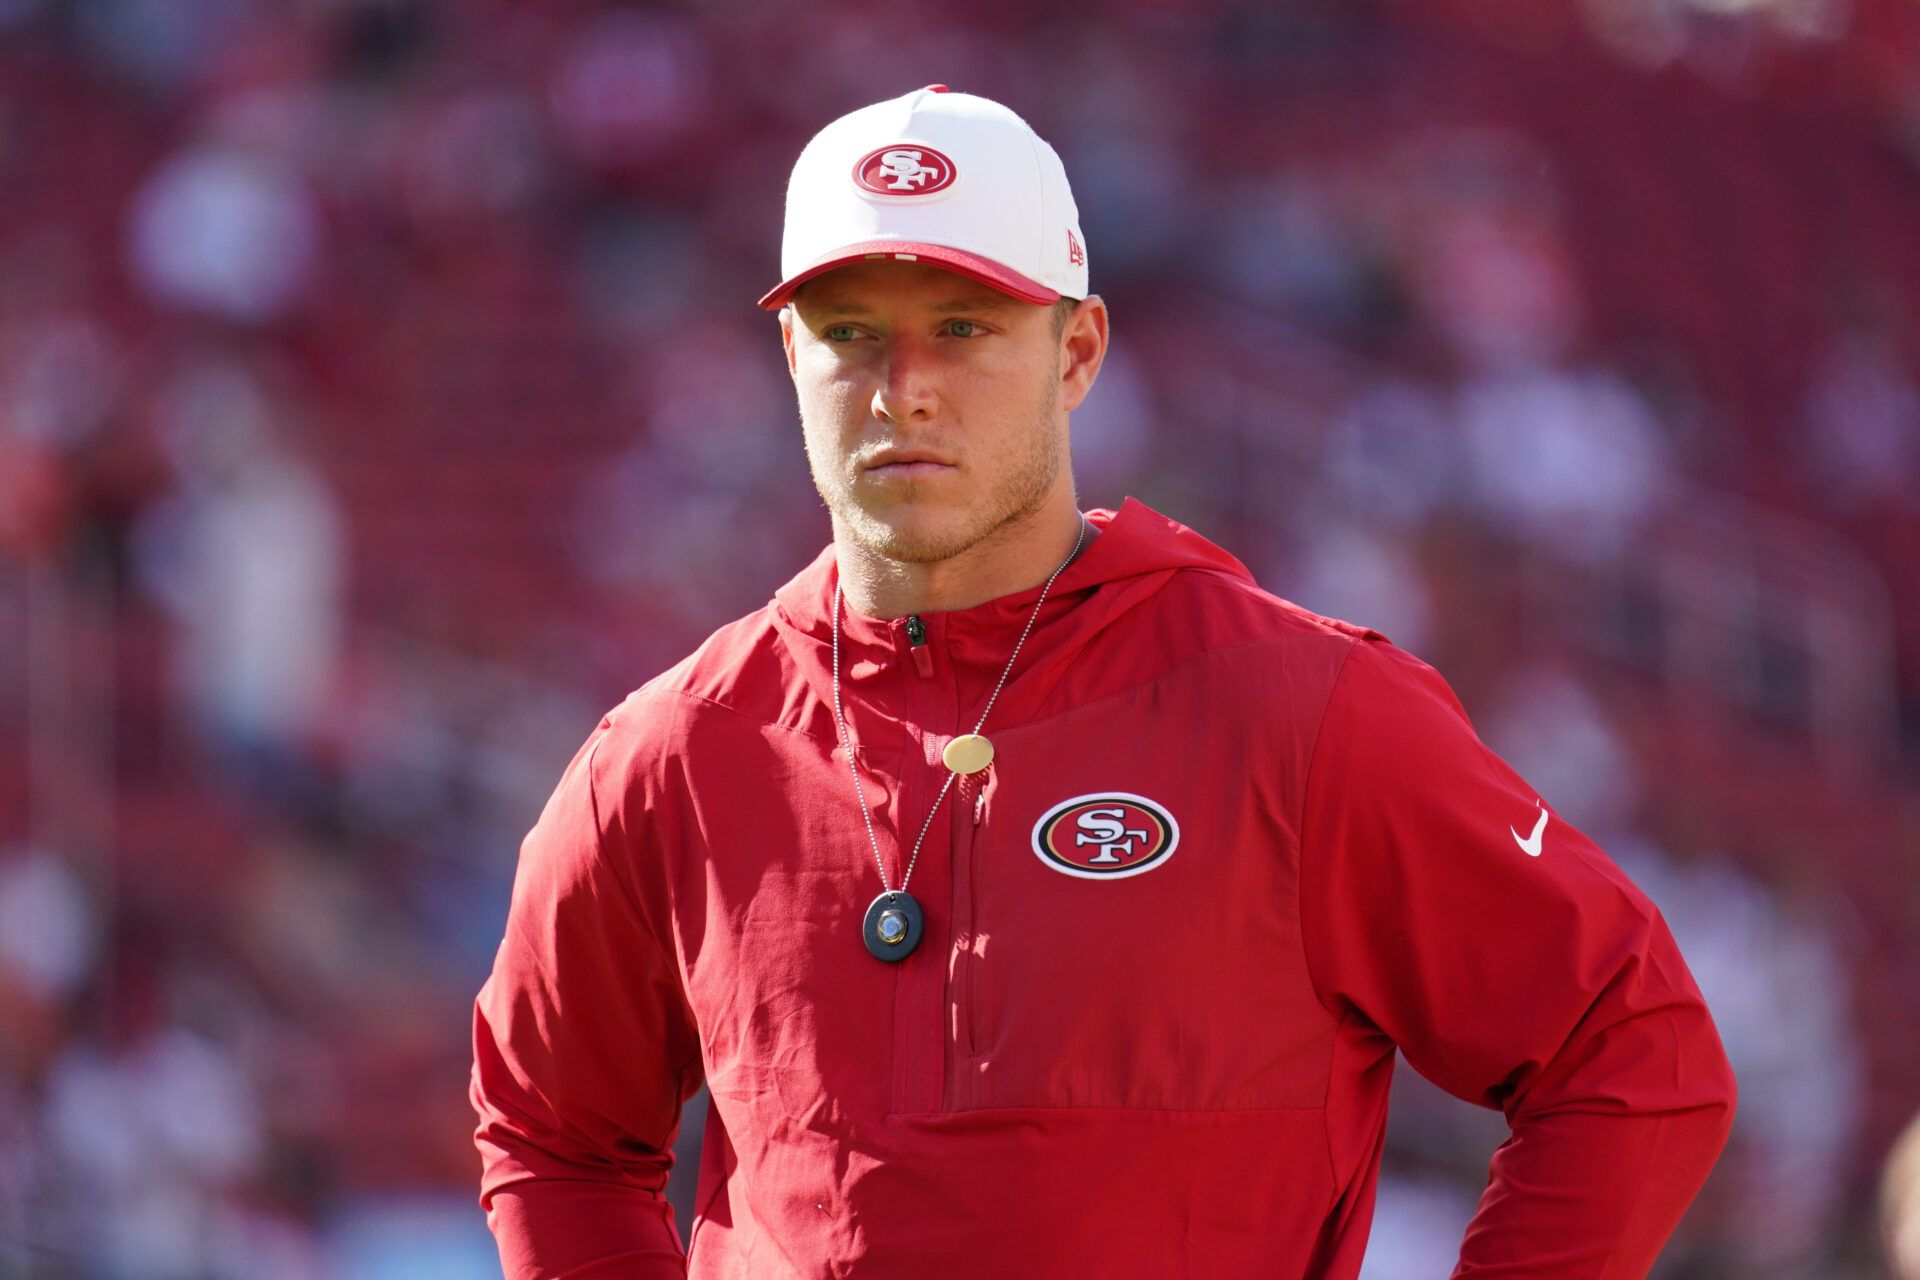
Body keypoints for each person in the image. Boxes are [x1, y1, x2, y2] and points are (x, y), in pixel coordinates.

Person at [470, 86, 1737, 1279]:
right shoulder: (670, 750)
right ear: (789, 353)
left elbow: (1634, 1046)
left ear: (1077, 351)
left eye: (964, 327)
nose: (902, 387)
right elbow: (550, 1129)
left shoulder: (1301, 707)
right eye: (852, 333)